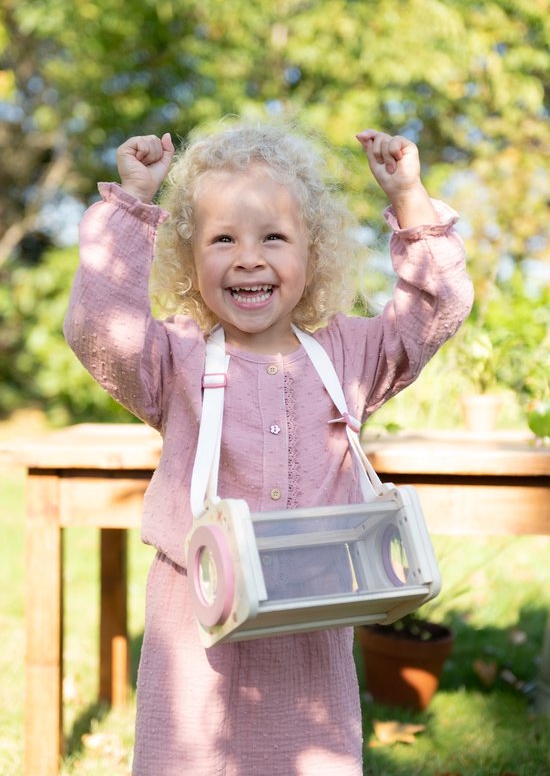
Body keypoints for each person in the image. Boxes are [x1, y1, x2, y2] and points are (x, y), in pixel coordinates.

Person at [64, 120, 473, 776]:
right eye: (222, 239)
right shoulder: (176, 358)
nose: (248, 257)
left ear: (312, 254)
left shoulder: (348, 354)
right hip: (196, 637)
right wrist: (134, 205)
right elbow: (97, 325)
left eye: (273, 237)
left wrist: (409, 198)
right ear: (189, 259)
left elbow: (438, 305)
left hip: (308, 643)